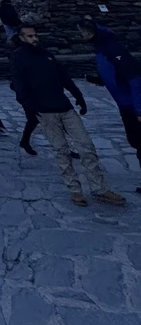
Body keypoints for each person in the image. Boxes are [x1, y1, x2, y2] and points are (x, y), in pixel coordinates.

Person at [10, 24, 126, 207]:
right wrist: (30, 107)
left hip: (64, 107)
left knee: (86, 146)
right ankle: (75, 191)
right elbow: (19, 84)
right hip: (45, 112)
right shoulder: (18, 57)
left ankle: (100, 189)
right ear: (22, 38)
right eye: (30, 36)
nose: (35, 39)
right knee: (61, 151)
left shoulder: (46, 54)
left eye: (35, 35)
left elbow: (64, 77)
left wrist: (78, 96)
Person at [78, 17, 141, 192]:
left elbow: (135, 79)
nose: (80, 35)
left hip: (132, 105)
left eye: (82, 32)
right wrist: (99, 80)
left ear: (89, 31)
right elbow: (115, 75)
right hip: (126, 104)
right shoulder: (102, 47)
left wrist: (139, 109)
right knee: (136, 141)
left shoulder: (112, 49)